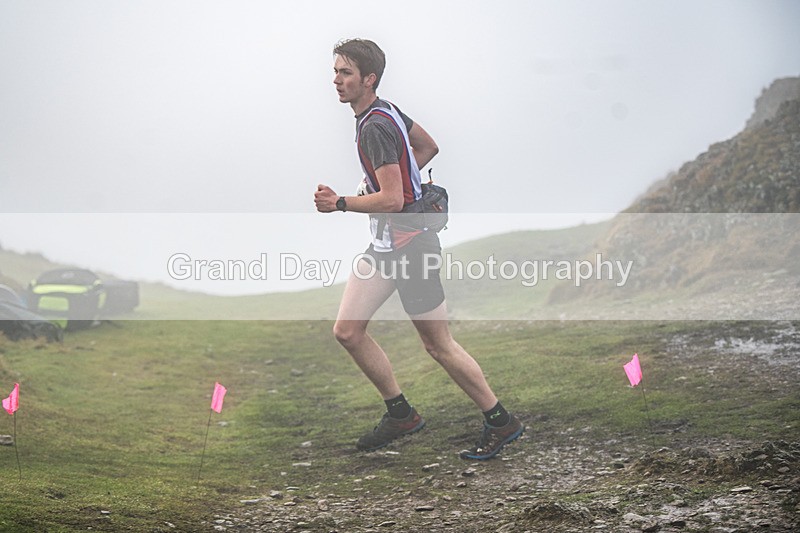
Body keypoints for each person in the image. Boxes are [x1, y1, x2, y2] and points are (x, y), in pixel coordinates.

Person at [314, 38, 523, 460]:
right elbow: (427, 147)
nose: (336, 79)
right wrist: (398, 181)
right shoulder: (386, 109)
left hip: (411, 247)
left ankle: (501, 422)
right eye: (335, 70)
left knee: (438, 344)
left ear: (368, 79)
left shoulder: (375, 125)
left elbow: (392, 200)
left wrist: (339, 203)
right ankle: (402, 414)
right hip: (387, 246)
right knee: (348, 331)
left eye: (345, 73)